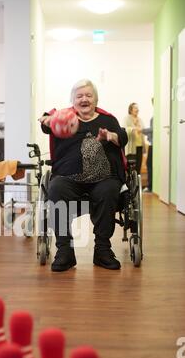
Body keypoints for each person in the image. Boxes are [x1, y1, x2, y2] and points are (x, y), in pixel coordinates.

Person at [39, 78, 128, 271]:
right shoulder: (64, 118)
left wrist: (110, 136)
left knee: (109, 189)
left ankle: (102, 251)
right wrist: (47, 119)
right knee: (55, 188)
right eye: (79, 96)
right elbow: (46, 124)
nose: (84, 99)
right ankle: (65, 251)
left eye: (89, 95)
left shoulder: (108, 120)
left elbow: (123, 137)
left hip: (103, 177)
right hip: (68, 178)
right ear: (73, 100)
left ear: (96, 100)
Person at [124, 103, 146, 174]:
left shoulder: (140, 119)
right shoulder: (127, 118)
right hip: (131, 148)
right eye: (135, 108)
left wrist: (141, 129)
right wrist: (134, 128)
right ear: (131, 109)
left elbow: (143, 130)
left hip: (140, 146)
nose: (137, 109)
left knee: (138, 168)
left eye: (138, 108)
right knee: (131, 169)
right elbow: (124, 129)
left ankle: (137, 185)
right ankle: (131, 185)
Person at [142, 98, 153, 192]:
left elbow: (152, 129)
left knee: (149, 165)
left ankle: (150, 187)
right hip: (152, 144)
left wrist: (141, 130)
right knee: (149, 164)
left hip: (153, 144)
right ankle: (151, 186)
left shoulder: (154, 118)